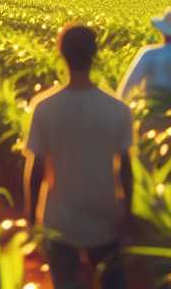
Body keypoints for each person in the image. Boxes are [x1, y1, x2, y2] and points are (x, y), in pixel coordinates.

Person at [25, 25, 134, 289]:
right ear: (95, 55)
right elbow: (125, 169)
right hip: (105, 216)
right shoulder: (117, 110)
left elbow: (35, 167)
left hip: (60, 219)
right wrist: (127, 213)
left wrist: (30, 217)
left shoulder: (44, 108)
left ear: (60, 53)